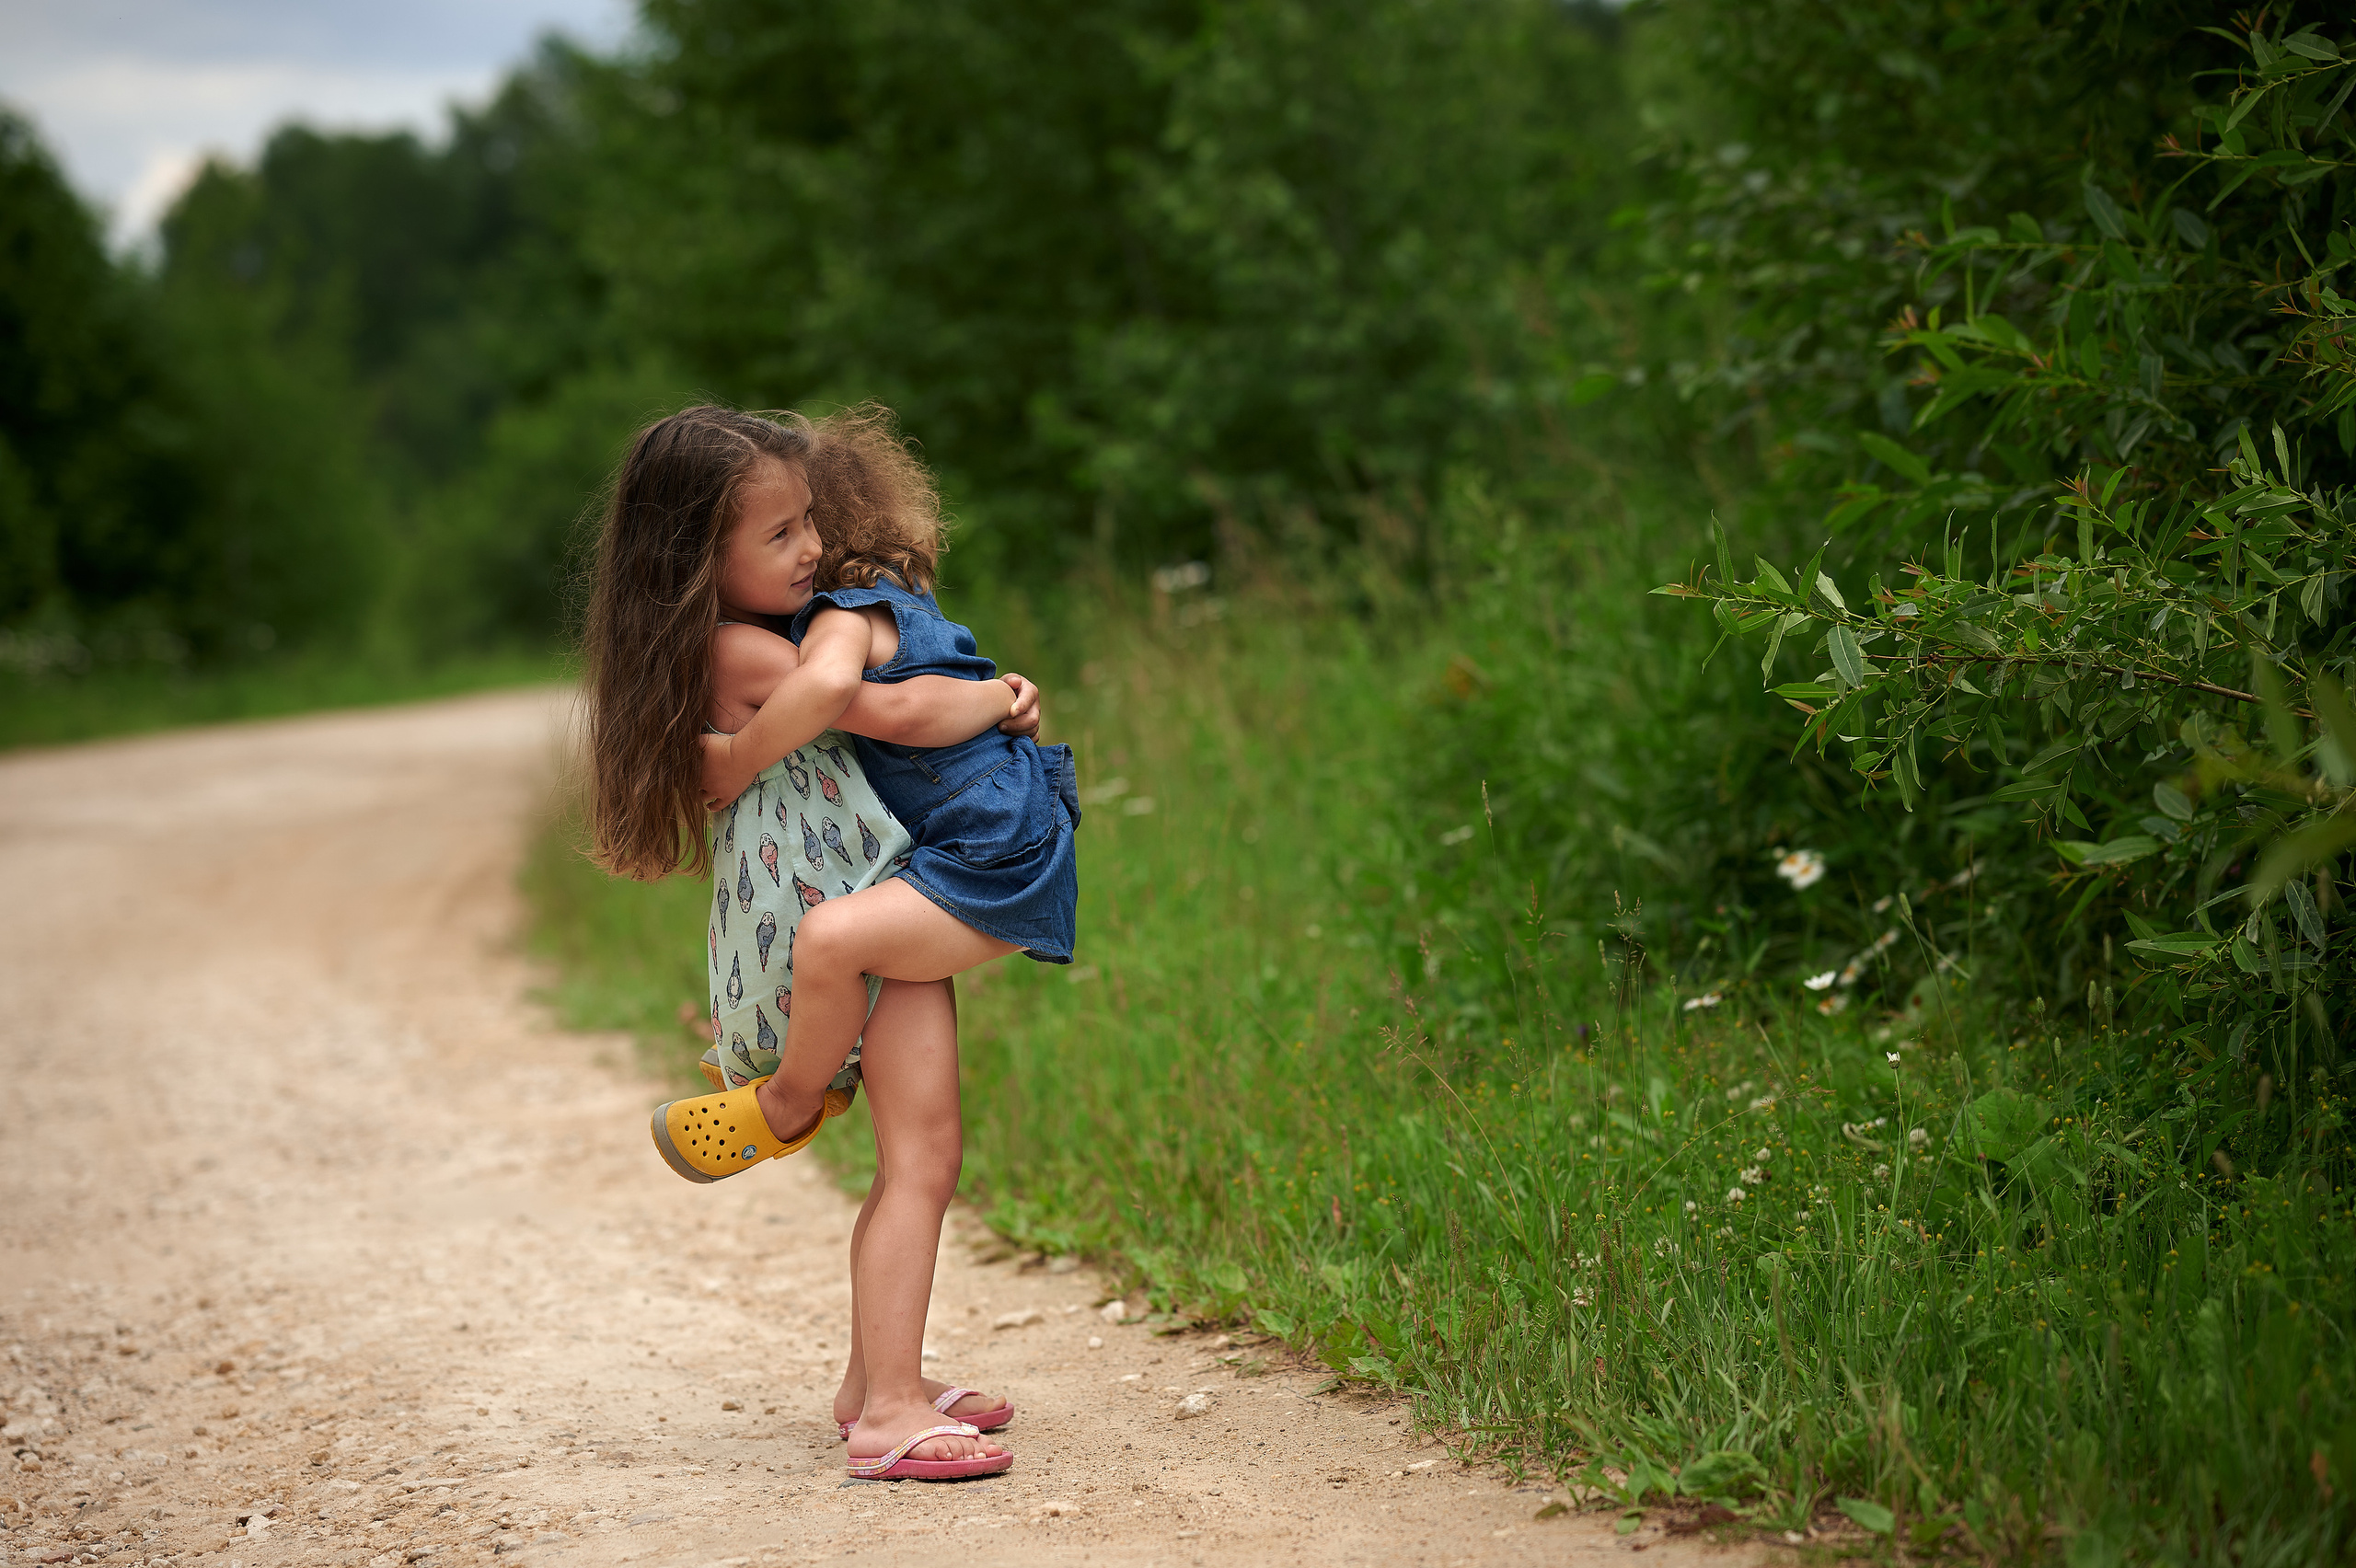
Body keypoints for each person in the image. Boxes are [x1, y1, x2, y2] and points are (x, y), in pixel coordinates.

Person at [583, 404, 1054, 1482]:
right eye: (780, 535)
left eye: (809, 523)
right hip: (839, 913)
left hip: (856, 895)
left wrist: (986, 699)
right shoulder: (747, 651)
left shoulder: (749, 642)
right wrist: (994, 697)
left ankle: (872, 1382)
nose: (811, 549)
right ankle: (887, 1407)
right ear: (696, 555)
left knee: (923, 1156)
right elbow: (885, 710)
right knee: (920, 1157)